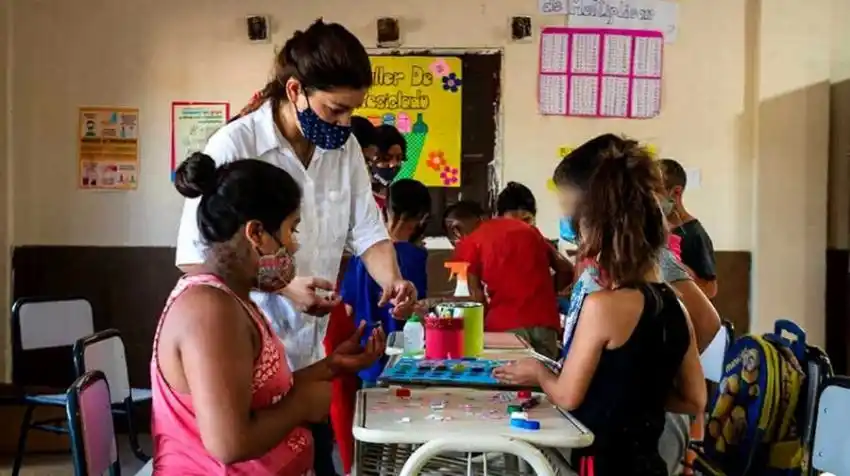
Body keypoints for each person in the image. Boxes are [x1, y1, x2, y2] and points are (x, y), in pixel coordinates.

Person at [175, 20, 417, 476]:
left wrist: (395, 281)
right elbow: (195, 259)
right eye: (335, 110)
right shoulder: (236, 143)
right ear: (295, 90)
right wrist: (286, 286)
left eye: (352, 112)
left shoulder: (343, 148)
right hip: (240, 356)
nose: (346, 124)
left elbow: (367, 230)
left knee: (307, 455)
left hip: (307, 358)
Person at [153, 153, 385, 475]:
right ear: (257, 233)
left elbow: (253, 394)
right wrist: (303, 403)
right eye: (292, 230)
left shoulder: (235, 298)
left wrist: (330, 366)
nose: (293, 247)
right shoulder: (210, 310)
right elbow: (230, 443)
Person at [494, 136, 707, 476]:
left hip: (597, 463)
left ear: (594, 229)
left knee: (514, 452)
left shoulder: (602, 306)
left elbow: (566, 397)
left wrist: (537, 371)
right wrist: (633, 393)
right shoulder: (676, 306)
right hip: (649, 465)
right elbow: (695, 399)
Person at [551, 134, 720, 475]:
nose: (569, 225)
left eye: (572, 213)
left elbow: (707, 323)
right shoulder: (641, 288)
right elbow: (695, 397)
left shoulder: (648, 271)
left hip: (616, 443)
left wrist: (638, 379)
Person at [440, 200, 572, 360]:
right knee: (542, 381)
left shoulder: (470, 243)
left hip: (504, 330)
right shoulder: (527, 229)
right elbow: (566, 269)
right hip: (546, 326)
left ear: (456, 231)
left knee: (509, 381)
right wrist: (541, 294)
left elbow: (476, 300)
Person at [341, 178, 431, 386]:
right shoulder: (415, 256)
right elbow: (418, 309)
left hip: (367, 355)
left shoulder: (362, 255)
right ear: (422, 217)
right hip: (405, 359)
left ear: (385, 209)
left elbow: (347, 308)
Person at [659, 158, 718, 298]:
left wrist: (680, 273)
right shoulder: (653, 231)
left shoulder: (695, 234)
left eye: (657, 191)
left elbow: (710, 290)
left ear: (676, 192)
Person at [369, 124, 407, 210]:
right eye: (386, 158)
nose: (393, 164)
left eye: (399, 158)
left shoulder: (398, 199)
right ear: (370, 159)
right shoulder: (357, 196)